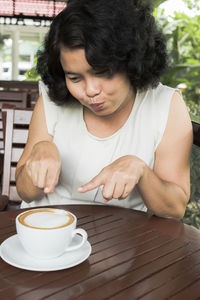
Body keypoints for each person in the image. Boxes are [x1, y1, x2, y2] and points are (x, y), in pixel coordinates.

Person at [16, 0, 193, 219]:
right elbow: (24, 192)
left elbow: (175, 209)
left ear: (131, 62)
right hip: (48, 231)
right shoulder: (52, 102)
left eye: (103, 73)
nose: (90, 91)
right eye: (74, 77)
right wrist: (39, 152)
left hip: (121, 241)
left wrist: (142, 172)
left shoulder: (166, 106)